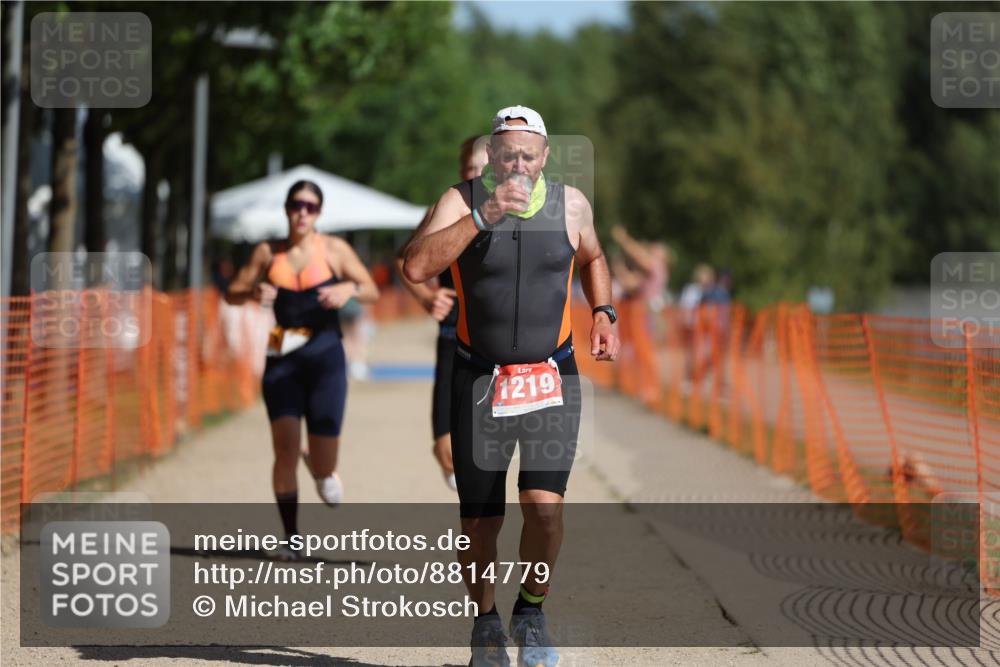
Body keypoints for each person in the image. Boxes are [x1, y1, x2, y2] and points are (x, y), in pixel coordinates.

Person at [404, 106, 619, 667]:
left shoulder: (572, 204)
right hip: (481, 380)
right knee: (481, 519)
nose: (518, 163)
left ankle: (530, 609)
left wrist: (604, 312)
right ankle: (485, 624)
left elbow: (594, 256)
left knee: (544, 509)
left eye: (528, 154)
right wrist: (485, 214)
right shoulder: (462, 200)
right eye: (507, 155)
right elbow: (414, 267)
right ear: (492, 158)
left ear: (545, 156)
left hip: (552, 378)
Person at [225, 180, 379, 560]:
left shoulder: (334, 249)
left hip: (325, 355)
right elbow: (232, 292)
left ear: (319, 213)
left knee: (326, 465)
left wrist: (348, 291)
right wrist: (252, 293)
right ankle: (291, 537)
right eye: (296, 205)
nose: (302, 213)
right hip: (282, 354)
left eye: (310, 207)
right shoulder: (267, 252)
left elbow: (371, 288)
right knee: (284, 449)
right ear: (286, 209)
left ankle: (321, 467)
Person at [395, 136, 489, 491]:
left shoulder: (512, 211)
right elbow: (405, 261)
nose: (474, 174)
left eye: (481, 168)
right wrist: (426, 298)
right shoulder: (445, 207)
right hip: (453, 334)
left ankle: (483, 518)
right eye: (468, 168)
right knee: (444, 447)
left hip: (495, 342)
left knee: (488, 447)